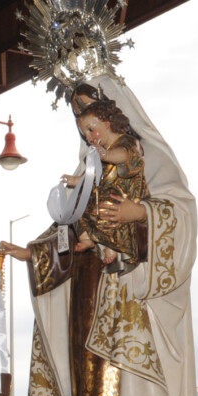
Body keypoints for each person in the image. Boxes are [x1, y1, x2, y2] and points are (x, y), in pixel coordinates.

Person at [0, 74, 198, 396]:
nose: (88, 132)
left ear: (114, 112)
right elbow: (70, 228)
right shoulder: (90, 168)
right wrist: (32, 253)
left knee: (117, 370)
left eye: (91, 116)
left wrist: (138, 212)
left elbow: (180, 213)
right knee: (88, 368)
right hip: (88, 283)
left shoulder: (146, 155)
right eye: (80, 122)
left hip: (128, 288)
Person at [66, 99, 149, 271]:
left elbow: (125, 155)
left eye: (91, 130)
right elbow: (91, 175)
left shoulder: (126, 141)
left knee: (107, 207)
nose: (89, 137)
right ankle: (87, 239)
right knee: (77, 204)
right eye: (85, 134)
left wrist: (106, 155)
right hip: (101, 192)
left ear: (107, 123)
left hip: (122, 193)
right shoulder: (97, 153)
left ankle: (112, 245)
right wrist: (75, 181)